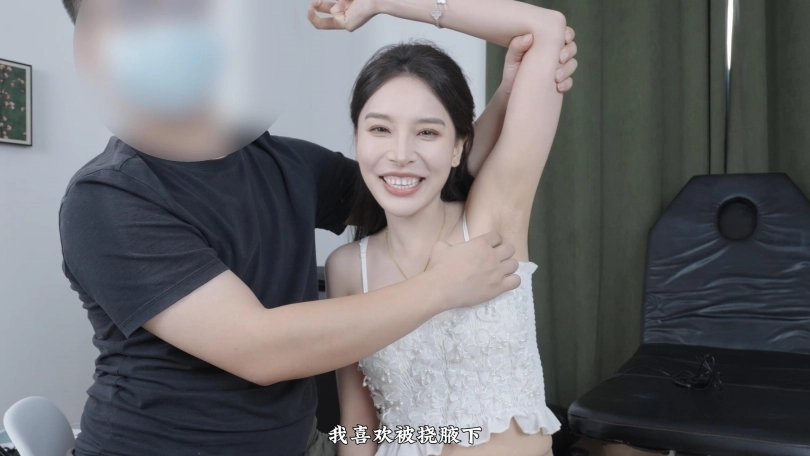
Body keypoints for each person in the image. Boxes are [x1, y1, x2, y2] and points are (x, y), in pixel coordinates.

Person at [57, 0, 579, 455]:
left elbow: (410, 180)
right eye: (379, 129)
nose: (400, 151)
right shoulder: (108, 197)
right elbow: (260, 350)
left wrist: (504, 94)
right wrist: (444, 286)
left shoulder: (281, 162)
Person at [314, 0, 568, 455]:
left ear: (457, 148)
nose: (400, 154)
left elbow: (545, 29)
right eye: (379, 129)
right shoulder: (348, 268)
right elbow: (359, 427)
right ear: (357, 138)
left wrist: (380, 4)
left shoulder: (492, 220)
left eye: (427, 132)